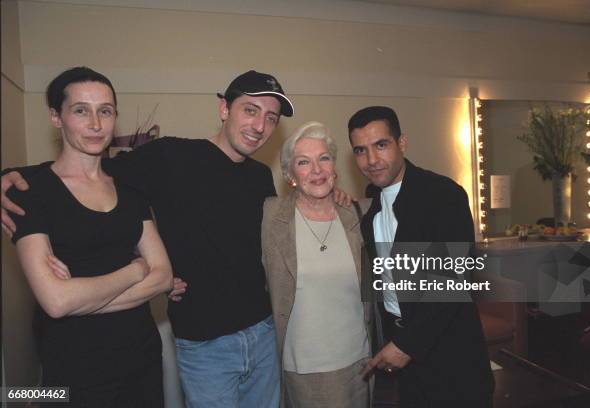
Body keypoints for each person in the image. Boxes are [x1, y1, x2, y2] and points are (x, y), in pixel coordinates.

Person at [3, 70, 353, 408]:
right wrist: (12, 177)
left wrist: (330, 193)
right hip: (205, 344)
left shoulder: (262, 176)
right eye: (250, 110)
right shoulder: (169, 156)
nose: (259, 126)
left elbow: (277, 235)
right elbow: (88, 171)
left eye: (271, 117)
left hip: (263, 335)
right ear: (224, 109)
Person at [5, 67, 174, 407]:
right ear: (56, 117)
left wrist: (79, 299)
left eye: (105, 111)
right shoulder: (30, 190)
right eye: (81, 110)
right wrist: (135, 271)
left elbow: (165, 275)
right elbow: (55, 302)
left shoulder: (130, 191)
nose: (96, 124)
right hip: (72, 370)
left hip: (141, 362)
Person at [349, 106, 494, 408]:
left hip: (451, 356)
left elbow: (452, 282)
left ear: (402, 143)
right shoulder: (372, 207)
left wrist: (406, 345)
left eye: (381, 145)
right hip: (407, 363)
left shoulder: (443, 195)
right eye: (361, 150)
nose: (372, 160)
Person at [259, 122, 373, 408]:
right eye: (303, 162)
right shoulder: (271, 217)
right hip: (305, 368)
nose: (317, 170)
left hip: (360, 362)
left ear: (334, 166)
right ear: (289, 174)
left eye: (323, 158)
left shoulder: (357, 215)